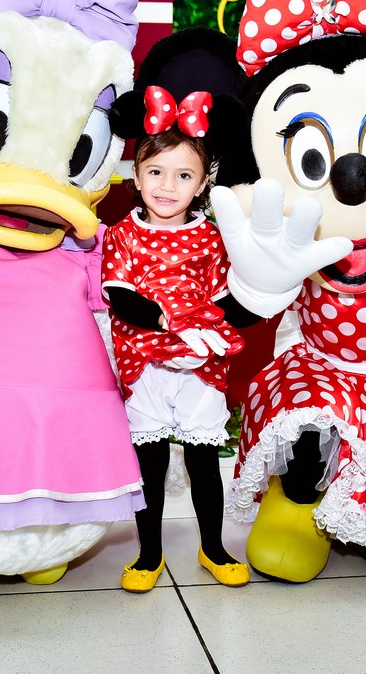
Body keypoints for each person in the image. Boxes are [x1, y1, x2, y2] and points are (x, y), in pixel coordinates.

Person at [102, 87, 250, 592]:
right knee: (151, 461)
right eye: (156, 172)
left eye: (184, 175)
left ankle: (213, 547)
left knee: (203, 459)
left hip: (201, 365)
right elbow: (121, 295)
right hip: (143, 365)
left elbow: (226, 297)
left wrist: (212, 331)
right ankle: (149, 553)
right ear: (136, 175)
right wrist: (170, 322)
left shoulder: (212, 236)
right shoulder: (122, 234)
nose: (167, 186)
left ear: (203, 182)